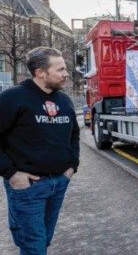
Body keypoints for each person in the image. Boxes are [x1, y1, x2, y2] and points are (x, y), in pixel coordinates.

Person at [0, 47, 80, 255]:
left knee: (42, 242)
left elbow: (74, 135)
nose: (66, 74)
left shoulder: (64, 100)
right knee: (33, 246)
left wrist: (71, 167)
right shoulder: (12, 98)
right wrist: (11, 174)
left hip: (58, 184)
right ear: (39, 73)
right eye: (60, 69)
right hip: (28, 187)